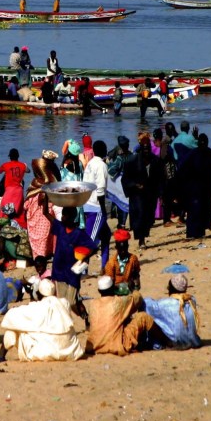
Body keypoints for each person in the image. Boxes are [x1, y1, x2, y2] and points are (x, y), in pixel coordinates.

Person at [0, 278, 84, 362]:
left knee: (13, 327)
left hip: (46, 353)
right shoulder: (65, 303)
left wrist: (32, 298)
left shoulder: (36, 307)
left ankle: (0, 354)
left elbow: (11, 315)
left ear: (39, 293)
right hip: (70, 350)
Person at [85, 276, 159, 356]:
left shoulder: (92, 304)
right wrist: (133, 289)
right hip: (115, 345)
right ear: (113, 288)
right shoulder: (118, 302)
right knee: (143, 317)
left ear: (99, 291)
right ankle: (165, 341)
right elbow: (138, 298)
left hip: (94, 345)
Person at [50, 207, 97, 324]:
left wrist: (84, 257)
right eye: (62, 215)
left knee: (71, 302)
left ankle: (86, 317)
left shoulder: (79, 233)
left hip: (72, 273)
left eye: (65, 215)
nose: (62, 217)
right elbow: (45, 213)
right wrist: (45, 199)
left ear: (71, 217)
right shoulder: (60, 228)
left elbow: (93, 248)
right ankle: (66, 326)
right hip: (59, 271)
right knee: (62, 303)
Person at [142, 273, 202, 348]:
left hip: (175, 342)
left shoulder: (167, 303)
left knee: (147, 318)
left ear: (171, 288)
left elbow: (147, 304)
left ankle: (157, 344)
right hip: (193, 341)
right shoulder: (191, 300)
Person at [123, 132, 158, 249]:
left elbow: (159, 177)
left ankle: (144, 235)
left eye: (148, 148)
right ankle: (141, 240)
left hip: (150, 193)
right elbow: (125, 178)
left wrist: (159, 193)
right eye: (144, 148)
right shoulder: (132, 161)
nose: (147, 150)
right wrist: (134, 185)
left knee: (148, 216)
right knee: (139, 214)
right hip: (137, 194)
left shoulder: (155, 160)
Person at [25, 150, 59, 259]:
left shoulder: (36, 181)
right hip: (48, 211)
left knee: (42, 235)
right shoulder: (54, 179)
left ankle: (40, 256)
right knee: (46, 235)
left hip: (40, 212)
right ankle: (46, 254)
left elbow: (28, 199)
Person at [82, 139, 111, 267]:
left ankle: (105, 266)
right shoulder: (101, 165)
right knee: (90, 241)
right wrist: (103, 209)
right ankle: (81, 269)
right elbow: (100, 189)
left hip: (87, 204)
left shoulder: (90, 164)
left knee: (106, 236)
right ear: (103, 151)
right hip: (96, 207)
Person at [0, 148, 28, 227]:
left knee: (4, 210)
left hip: (9, 191)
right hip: (19, 191)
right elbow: (28, 171)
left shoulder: (6, 165)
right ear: (18, 156)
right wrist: (24, 165)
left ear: (10, 157)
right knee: (19, 212)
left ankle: (3, 227)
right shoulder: (22, 165)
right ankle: (20, 227)